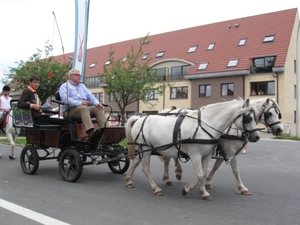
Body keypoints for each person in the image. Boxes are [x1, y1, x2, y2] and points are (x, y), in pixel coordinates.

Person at [59, 68, 106, 138]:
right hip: (69, 111)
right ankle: (90, 132)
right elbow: (66, 100)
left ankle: (105, 131)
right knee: (84, 108)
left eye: (80, 75)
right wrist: (80, 103)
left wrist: (96, 102)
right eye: (77, 75)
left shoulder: (82, 86)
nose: (79, 76)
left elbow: (90, 96)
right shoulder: (65, 86)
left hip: (83, 109)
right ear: (71, 76)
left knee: (98, 109)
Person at [0, 85, 12, 159]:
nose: (6, 92)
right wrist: (4, 108)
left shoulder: (11, 99)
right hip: (1, 113)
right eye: (5, 91)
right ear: (3, 91)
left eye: (7, 91)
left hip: (9, 114)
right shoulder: (1, 98)